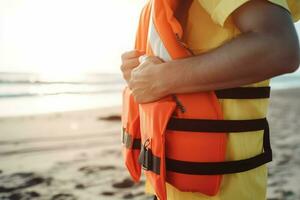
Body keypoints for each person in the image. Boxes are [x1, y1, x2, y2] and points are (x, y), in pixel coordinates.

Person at [120, 0, 299, 199]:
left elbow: (279, 47)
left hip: (225, 190)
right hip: (168, 184)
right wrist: (139, 74)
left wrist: (162, 79)